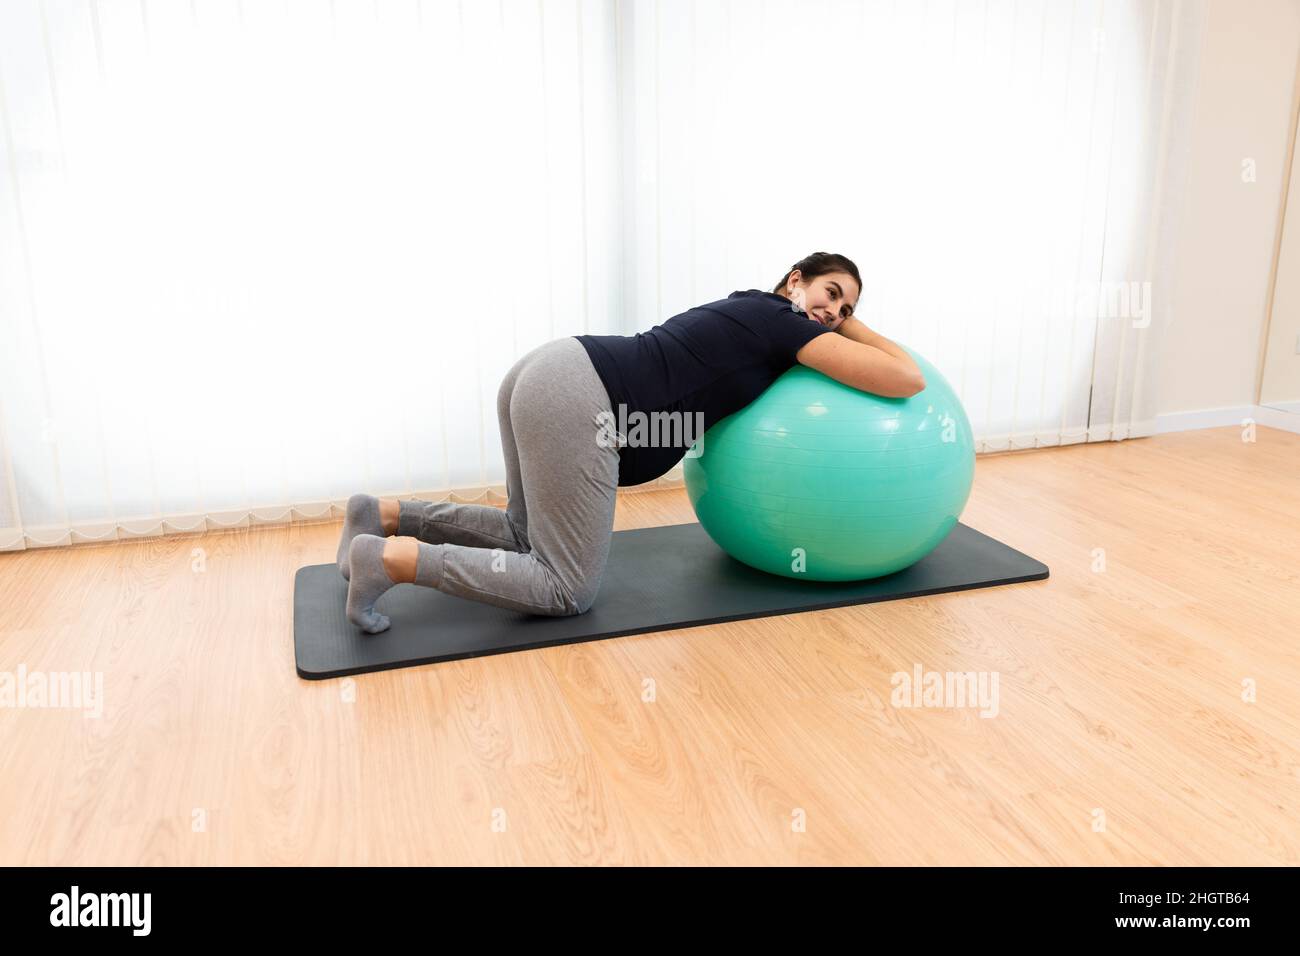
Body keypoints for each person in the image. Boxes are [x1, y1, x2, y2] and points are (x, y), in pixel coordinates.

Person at [337, 251, 925, 633]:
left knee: (524, 536)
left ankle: (381, 515)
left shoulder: (755, 312)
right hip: (581, 396)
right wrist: (851, 327)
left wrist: (837, 314)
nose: (834, 311)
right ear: (794, 280)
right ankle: (388, 559)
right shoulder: (781, 321)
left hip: (553, 371)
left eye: (846, 307)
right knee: (565, 587)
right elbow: (906, 378)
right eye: (829, 293)